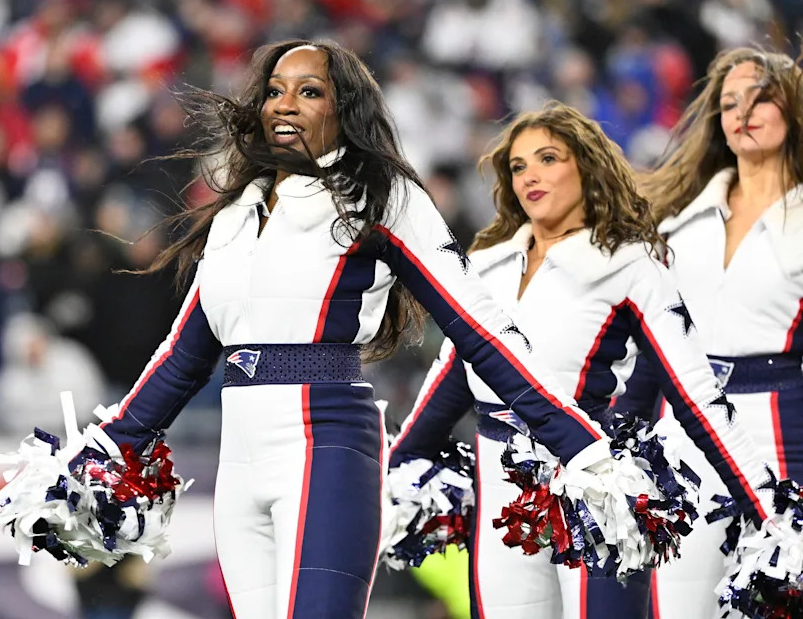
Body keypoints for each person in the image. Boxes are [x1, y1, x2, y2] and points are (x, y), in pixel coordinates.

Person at [94, 40, 622, 619]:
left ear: (345, 109)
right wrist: (100, 456)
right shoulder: (235, 213)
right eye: (274, 91)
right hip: (238, 463)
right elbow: (182, 357)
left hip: (325, 447)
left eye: (309, 91)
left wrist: (580, 444)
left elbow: (480, 329)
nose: (285, 105)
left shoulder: (382, 196)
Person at [388, 102, 773, 619]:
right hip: (497, 478)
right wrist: (395, 471)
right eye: (519, 166)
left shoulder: (632, 265)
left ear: (586, 167)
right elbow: (451, 382)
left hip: (598, 488)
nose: (531, 176)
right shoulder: (483, 266)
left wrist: (767, 510)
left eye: (548, 158)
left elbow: (696, 395)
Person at [616, 47, 803, 619]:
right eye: (728, 104)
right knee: (678, 607)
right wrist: (622, 441)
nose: (743, 112)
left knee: (777, 602)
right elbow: (656, 346)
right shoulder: (680, 221)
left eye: (760, 97)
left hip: (784, 436)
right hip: (686, 437)